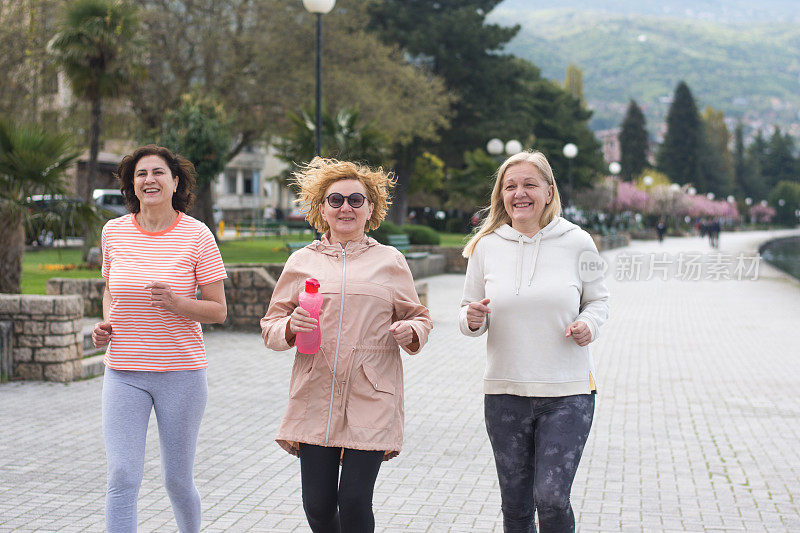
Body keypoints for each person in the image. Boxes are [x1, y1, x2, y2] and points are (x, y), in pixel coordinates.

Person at [261, 157, 432, 533]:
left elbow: (419, 315)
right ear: (321, 208)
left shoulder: (390, 261)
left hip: (371, 392)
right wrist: (290, 325)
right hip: (315, 391)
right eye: (336, 200)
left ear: (371, 208)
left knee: (354, 502)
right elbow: (271, 325)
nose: (346, 208)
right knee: (319, 507)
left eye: (356, 200)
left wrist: (411, 331)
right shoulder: (301, 261)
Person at [459, 150, 609, 533]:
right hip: (505, 392)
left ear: (549, 191)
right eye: (511, 186)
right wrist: (472, 319)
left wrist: (588, 324)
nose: (519, 193)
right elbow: (467, 311)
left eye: (529, 184)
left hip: (568, 393)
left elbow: (599, 300)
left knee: (553, 499)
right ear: (501, 194)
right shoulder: (485, 246)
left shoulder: (580, 241)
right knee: (517, 508)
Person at [91, 145, 227, 533]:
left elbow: (219, 310)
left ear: (175, 181)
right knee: (122, 476)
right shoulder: (113, 232)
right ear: (131, 184)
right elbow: (110, 290)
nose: (149, 180)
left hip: (181, 374)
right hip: (123, 373)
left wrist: (177, 303)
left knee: (177, 480)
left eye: (158, 173)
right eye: (140, 174)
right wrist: (106, 324)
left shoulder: (197, 234)